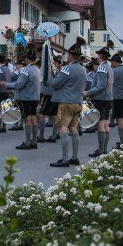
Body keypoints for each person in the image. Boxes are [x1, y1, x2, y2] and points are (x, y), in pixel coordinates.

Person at [49, 37, 87, 167]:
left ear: (71, 56)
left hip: (66, 102)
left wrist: (51, 76)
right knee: (73, 128)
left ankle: (65, 159)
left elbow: (55, 84)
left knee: (62, 127)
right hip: (78, 101)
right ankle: (75, 157)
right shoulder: (82, 69)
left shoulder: (67, 69)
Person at [2, 46, 41, 150]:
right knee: (33, 118)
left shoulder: (25, 70)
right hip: (35, 97)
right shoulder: (38, 70)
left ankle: (28, 142)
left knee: (27, 118)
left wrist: (6, 84)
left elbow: (19, 84)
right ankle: (34, 141)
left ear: (27, 59)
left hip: (25, 97)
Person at [84, 39, 114, 157]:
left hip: (101, 99)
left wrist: (88, 92)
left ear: (100, 56)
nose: (96, 57)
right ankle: (104, 149)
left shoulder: (101, 68)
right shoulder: (109, 68)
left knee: (101, 124)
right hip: (108, 99)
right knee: (106, 124)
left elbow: (101, 86)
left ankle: (101, 150)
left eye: (97, 55)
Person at [38, 55, 62, 143]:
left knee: (41, 114)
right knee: (55, 116)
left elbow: (48, 82)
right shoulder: (59, 71)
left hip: (48, 94)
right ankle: (54, 136)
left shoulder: (51, 71)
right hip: (55, 95)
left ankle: (41, 136)